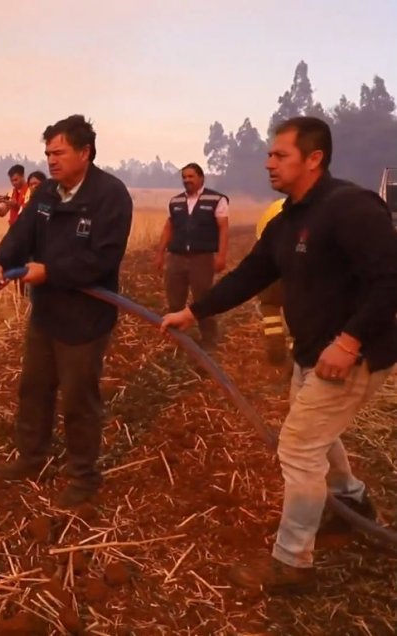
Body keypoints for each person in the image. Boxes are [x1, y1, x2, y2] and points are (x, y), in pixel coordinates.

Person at [160, 116, 397, 594]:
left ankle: (292, 563)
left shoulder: (351, 208)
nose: (269, 162)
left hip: (354, 354)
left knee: (299, 447)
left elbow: (389, 280)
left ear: (314, 159)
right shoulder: (289, 218)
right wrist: (194, 311)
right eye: (269, 154)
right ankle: (351, 503)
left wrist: (349, 343)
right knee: (316, 435)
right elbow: (251, 274)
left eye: (280, 155)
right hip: (312, 352)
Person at [0, 114, 134, 508]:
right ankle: (31, 456)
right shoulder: (48, 193)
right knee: (34, 388)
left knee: (78, 399)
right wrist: (1, 261)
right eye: (48, 153)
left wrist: (49, 271)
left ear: (85, 152)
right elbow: (22, 233)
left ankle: (84, 476)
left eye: (59, 152)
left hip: (85, 318)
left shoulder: (110, 195)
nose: (51, 160)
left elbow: (102, 259)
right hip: (46, 311)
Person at [154, 163, 230, 349]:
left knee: (203, 300)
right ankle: (177, 340)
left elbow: (223, 228)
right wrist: (160, 253)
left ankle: (209, 340)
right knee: (174, 300)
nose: (187, 180)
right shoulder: (175, 202)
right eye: (184, 177)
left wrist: (221, 256)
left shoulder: (216, 199)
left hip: (202, 258)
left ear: (201, 178)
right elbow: (169, 227)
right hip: (176, 257)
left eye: (191, 176)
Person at [255, 197, 289, 364]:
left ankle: (275, 345)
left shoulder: (272, 210)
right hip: (297, 267)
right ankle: (295, 350)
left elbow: (260, 238)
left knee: (269, 305)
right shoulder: (308, 210)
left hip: (271, 267)